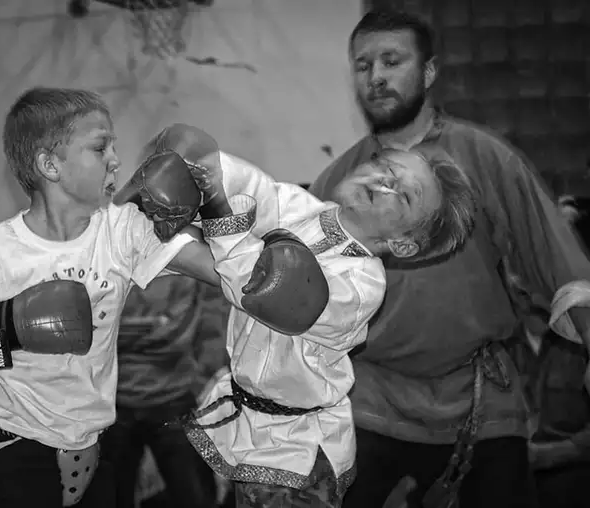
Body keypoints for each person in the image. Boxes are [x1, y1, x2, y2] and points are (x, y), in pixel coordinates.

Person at [308, 9, 590, 508]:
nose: (376, 77)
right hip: (370, 402)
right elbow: (305, 300)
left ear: (429, 72)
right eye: (363, 65)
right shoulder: (336, 182)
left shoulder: (484, 156)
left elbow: (558, 259)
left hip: (480, 399)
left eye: (391, 61)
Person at [116, 124, 475, 508]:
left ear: (402, 244)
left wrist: (218, 209)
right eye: (384, 167)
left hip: (299, 449)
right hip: (255, 425)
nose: (383, 182)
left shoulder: (362, 285)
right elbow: (259, 193)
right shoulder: (305, 211)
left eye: (403, 195)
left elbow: (266, 291)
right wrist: (207, 167)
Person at [0, 87, 220, 508]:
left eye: (114, 146)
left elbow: (223, 273)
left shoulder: (122, 231)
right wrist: (11, 323)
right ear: (49, 164)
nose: (116, 160)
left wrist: (216, 206)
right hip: (15, 453)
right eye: (100, 147)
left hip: (96, 451)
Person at [100, 275, 229, 508]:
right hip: (111, 402)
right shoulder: (102, 259)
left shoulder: (186, 260)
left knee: (195, 498)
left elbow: (206, 322)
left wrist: (201, 381)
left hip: (177, 397)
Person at [505, 302, 590, 508]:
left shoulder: (582, 343)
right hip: (510, 480)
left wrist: (554, 453)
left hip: (574, 478)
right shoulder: (497, 346)